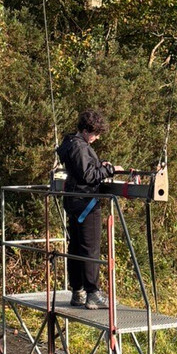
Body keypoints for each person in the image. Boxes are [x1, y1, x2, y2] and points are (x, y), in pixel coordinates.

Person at [56, 109, 116, 309]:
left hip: (74, 201)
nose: (97, 137)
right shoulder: (80, 147)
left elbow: (84, 170)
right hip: (86, 203)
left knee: (76, 246)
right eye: (95, 133)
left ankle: (78, 291)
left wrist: (100, 165)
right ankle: (92, 293)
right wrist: (109, 169)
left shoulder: (71, 144)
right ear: (85, 130)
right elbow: (88, 176)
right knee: (90, 248)